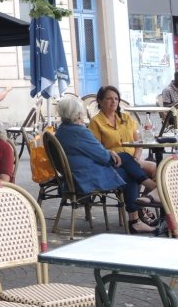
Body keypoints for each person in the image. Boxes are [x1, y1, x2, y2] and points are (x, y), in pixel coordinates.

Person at [54, 95, 157, 233]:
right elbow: (105, 158)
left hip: (73, 177)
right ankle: (148, 197)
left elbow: (91, 152)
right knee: (129, 170)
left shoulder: (61, 131)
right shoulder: (80, 132)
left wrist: (108, 152)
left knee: (127, 161)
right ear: (78, 114)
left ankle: (145, 199)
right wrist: (109, 153)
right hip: (86, 178)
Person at [88, 85, 156, 179]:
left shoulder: (126, 117)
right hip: (114, 162)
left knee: (158, 169)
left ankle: (150, 189)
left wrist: (135, 159)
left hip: (133, 160)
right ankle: (149, 186)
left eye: (116, 99)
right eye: (109, 98)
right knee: (130, 174)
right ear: (100, 101)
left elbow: (138, 143)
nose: (114, 101)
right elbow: (97, 150)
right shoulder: (96, 122)